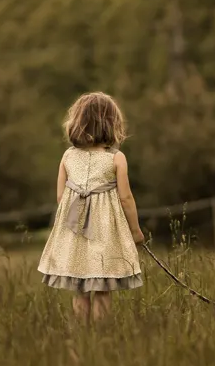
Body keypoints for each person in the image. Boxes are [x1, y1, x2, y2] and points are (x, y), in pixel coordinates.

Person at [38, 91, 146, 324]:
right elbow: (126, 198)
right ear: (111, 124)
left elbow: (61, 197)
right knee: (103, 289)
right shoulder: (116, 159)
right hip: (105, 235)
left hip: (75, 232)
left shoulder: (68, 156)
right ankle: (100, 336)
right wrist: (135, 231)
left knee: (81, 289)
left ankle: (81, 337)